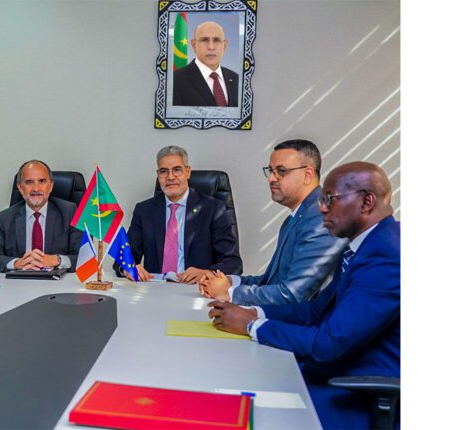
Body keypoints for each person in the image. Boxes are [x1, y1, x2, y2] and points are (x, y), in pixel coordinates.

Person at [208, 162, 399, 429]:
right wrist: (256, 312)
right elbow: (316, 310)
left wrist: (252, 325)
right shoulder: (361, 246)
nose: (321, 208)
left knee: (240, 409)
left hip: (355, 391)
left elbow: (329, 343)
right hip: (335, 371)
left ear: (366, 201)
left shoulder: (387, 255)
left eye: (330, 199)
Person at [199, 139, 346, 305]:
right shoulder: (296, 218)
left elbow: (293, 295)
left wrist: (229, 293)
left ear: (307, 175)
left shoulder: (321, 219)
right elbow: (270, 281)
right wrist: (229, 281)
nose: (270, 178)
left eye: (281, 171)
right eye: (271, 171)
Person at [116, 145, 242, 283]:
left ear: (187, 172)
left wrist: (207, 273)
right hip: (155, 288)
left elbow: (233, 263)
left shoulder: (213, 209)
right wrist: (128, 268)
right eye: (164, 171)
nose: (170, 177)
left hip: (196, 289)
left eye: (177, 170)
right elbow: (123, 259)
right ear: (158, 175)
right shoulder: (144, 210)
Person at [0, 160, 81, 272]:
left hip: (57, 280)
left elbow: (86, 258)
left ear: (51, 186)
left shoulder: (69, 212)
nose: (36, 188)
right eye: (29, 182)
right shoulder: (5, 218)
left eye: (42, 181)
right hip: (20, 280)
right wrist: (17, 263)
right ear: (20, 187)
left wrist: (58, 260)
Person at [173, 21, 239, 107]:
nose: (211, 47)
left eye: (216, 40)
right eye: (204, 40)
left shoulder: (236, 79)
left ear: (225, 46)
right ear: (194, 45)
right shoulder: (175, 80)